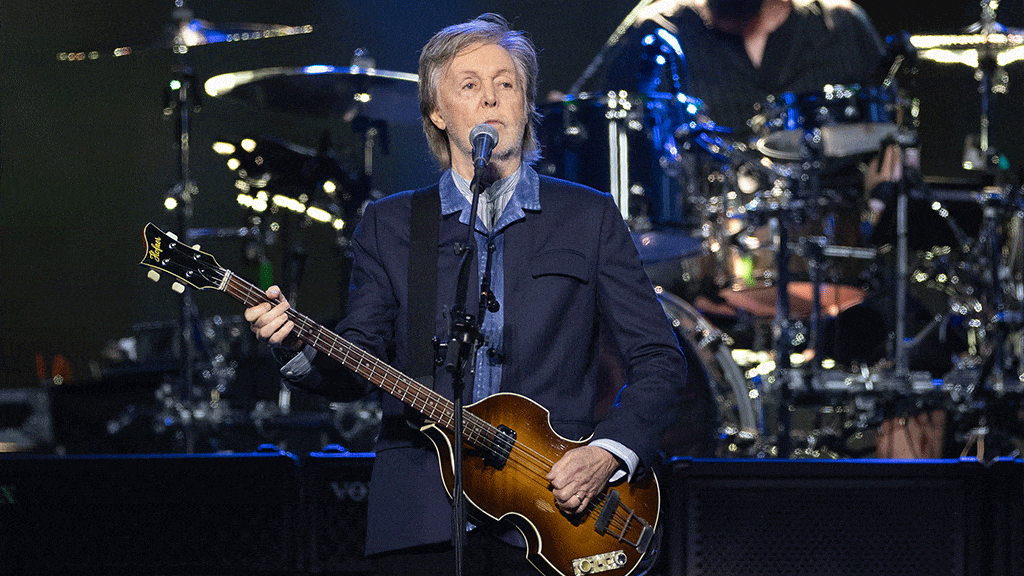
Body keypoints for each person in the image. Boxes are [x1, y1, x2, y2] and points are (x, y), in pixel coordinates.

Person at [244, 13, 690, 576]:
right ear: (438, 111)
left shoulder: (588, 216)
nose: (491, 99)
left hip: (557, 512)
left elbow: (659, 360)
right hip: (420, 517)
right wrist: (295, 345)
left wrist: (608, 453)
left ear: (526, 104)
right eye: (470, 85)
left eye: (507, 83)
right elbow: (358, 361)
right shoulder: (391, 224)